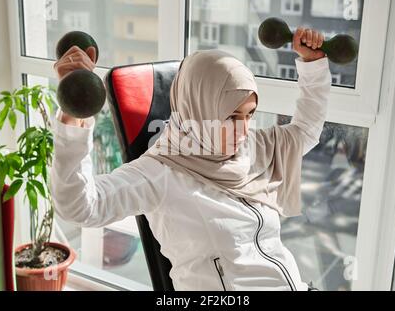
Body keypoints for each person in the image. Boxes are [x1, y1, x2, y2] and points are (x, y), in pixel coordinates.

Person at [51, 27, 332, 291]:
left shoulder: (252, 149)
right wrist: (75, 115)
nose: (244, 129)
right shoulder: (160, 174)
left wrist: (313, 64)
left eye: (249, 114)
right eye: (231, 116)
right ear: (199, 108)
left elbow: (304, 131)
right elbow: (80, 207)